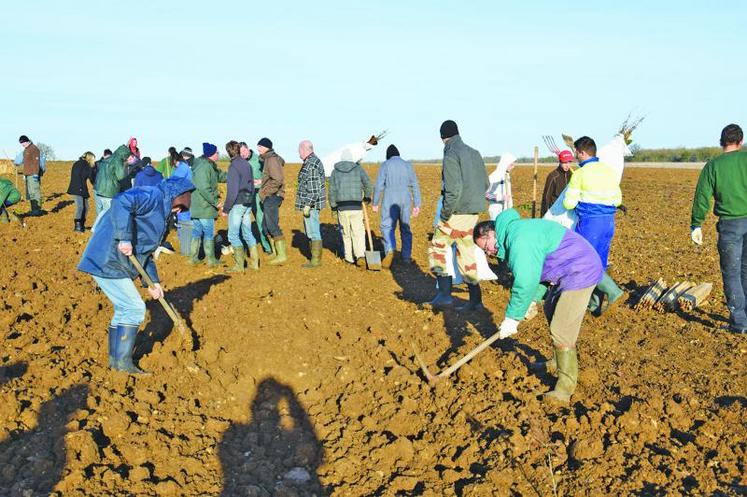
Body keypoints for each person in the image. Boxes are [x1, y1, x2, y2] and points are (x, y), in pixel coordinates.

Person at [473, 209, 603, 402]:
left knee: (562, 327)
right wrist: (533, 300)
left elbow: (525, 281)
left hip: (580, 270)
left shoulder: (518, 239)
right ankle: (556, 362)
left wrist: (512, 317)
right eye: (485, 251)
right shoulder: (515, 233)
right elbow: (539, 270)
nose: (489, 252)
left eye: (486, 246)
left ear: (491, 233)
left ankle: (564, 389)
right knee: (551, 308)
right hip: (566, 269)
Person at [77, 176, 194, 374]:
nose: (179, 211)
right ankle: (123, 363)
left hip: (115, 262)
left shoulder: (163, 218)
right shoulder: (152, 196)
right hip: (107, 258)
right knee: (134, 307)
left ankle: (116, 361)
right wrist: (124, 238)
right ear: (176, 197)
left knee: (124, 309)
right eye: (180, 206)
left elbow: (145, 253)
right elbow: (121, 201)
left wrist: (153, 283)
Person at [691, 123, 747, 334]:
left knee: (732, 274)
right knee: (745, 271)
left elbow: (702, 197)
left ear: (721, 141)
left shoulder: (713, 166)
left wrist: (696, 223)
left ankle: (740, 323)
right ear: (740, 142)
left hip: (730, 225)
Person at [428, 120, 490, 310]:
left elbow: (453, 190)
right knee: (466, 252)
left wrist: (445, 215)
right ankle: (475, 300)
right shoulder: (474, 153)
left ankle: (444, 295)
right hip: (473, 212)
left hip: (456, 213)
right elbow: (486, 184)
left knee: (437, 248)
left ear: (442, 138)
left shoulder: (451, 154)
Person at [563, 136, 625, 314]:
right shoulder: (608, 171)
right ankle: (594, 305)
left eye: (576, 152)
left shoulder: (580, 174)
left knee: (585, 262)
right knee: (599, 262)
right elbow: (617, 199)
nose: (575, 156)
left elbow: (569, 204)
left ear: (582, 153)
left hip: (590, 222)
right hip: (608, 223)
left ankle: (613, 291)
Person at [372, 144, 421, 268]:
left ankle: (390, 252)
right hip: (406, 199)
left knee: (387, 226)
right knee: (405, 227)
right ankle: (406, 257)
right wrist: (417, 204)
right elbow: (415, 185)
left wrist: (375, 203)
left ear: (388, 156)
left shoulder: (385, 165)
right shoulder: (407, 165)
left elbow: (378, 186)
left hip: (389, 199)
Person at [328, 151, 372, 266]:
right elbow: (368, 183)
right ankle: (361, 255)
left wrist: (333, 207)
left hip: (342, 208)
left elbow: (332, 191)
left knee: (346, 234)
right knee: (358, 232)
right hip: (356, 207)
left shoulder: (335, 172)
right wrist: (367, 197)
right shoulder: (358, 169)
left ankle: (349, 258)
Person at [189, 142, 227, 267]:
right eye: (217, 152)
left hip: (197, 207)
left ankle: (193, 258)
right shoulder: (204, 167)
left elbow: (219, 176)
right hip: (204, 207)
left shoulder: (207, 165)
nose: (218, 154)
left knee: (196, 232)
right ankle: (211, 260)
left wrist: (234, 176)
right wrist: (215, 202)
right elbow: (204, 188)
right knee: (208, 233)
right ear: (211, 154)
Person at [222, 140, 257, 273]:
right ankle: (254, 264)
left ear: (229, 152)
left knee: (233, 235)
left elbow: (232, 191)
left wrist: (226, 209)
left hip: (238, 203)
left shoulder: (233, 167)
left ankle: (239, 266)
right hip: (248, 202)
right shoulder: (247, 165)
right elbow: (252, 184)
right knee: (247, 232)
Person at [296, 140, 327, 269]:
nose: (298, 153)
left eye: (299, 150)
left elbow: (314, 189)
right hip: (311, 203)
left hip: (311, 205)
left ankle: (315, 260)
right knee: (311, 230)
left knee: (313, 231)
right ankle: (314, 258)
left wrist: (308, 205)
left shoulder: (312, 164)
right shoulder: (310, 161)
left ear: (305, 149)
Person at [257, 138, 287, 266]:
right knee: (265, 226)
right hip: (270, 195)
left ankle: (282, 255)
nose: (258, 149)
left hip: (273, 196)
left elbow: (278, 180)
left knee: (272, 225)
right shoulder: (267, 159)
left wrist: (265, 192)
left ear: (266, 147)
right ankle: (276, 252)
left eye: (260, 146)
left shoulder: (271, 160)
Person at [241, 142, 272, 254]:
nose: (243, 154)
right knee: (243, 220)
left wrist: (261, 182)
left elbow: (269, 174)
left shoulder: (259, 159)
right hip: (245, 194)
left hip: (258, 193)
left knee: (260, 220)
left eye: (244, 151)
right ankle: (243, 247)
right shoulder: (240, 162)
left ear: (248, 148)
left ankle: (268, 247)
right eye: (240, 153)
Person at [92, 144, 132, 231]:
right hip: (109, 190)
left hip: (100, 189)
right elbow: (120, 176)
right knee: (107, 211)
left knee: (105, 210)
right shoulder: (117, 161)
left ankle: (101, 228)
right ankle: (96, 228)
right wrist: (125, 166)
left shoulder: (108, 159)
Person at [172, 147, 194, 256]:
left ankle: (186, 251)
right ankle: (188, 249)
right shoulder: (189, 167)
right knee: (187, 223)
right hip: (188, 198)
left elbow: (174, 183)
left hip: (183, 200)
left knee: (184, 223)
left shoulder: (182, 168)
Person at [67, 151, 95, 232]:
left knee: (85, 207)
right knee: (81, 207)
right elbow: (90, 177)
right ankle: (78, 226)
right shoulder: (86, 165)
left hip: (77, 187)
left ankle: (80, 224)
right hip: (80, 188)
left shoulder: (77, 163)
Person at [541, 150, 574, 217]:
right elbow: (546, 197)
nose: (567, 165)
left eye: (569, 162)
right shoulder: (553, 176)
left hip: (569, 213)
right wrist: (544, 216)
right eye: (564, 163)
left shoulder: (573, 175)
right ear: (560, 162)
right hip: (555, 212)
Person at [486, 152, 516, 220]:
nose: (513, 167)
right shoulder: (495, 177)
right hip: (496, 210)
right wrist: (501, 197)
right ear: (505, 163)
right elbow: (486, 195)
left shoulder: (506, 175)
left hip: (506, 209)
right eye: (511, 165)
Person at [18, 135, 43, 216]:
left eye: (23, 142)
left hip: (33, 175)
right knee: (30, 193)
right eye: (21, 143)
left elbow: (36, 163)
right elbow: (26, 164)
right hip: (28, 175)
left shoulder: (34, 149)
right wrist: (24, 174)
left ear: (27, 141)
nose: (22, 144)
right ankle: (34, 210)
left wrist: (36, 174)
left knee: (35, 192)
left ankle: (37, 210)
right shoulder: (26, 150)